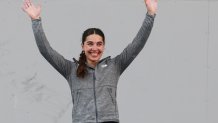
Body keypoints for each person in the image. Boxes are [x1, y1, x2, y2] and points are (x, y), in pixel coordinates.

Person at [22, 0, 157, 122]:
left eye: (99, 44)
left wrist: (150, 14)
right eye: (90, 44)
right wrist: (36, 20)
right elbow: (46, 51)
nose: (94, 48)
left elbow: (137, 44)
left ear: (103, 46)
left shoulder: (115, 66)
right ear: (83, 46)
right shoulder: (70, 69)